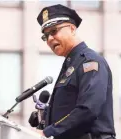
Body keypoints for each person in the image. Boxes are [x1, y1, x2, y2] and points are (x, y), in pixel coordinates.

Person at [35, 4, 116, 139]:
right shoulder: (71, 64)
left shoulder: (89, 62)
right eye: (46, 36)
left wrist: (47, 132)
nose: (49, 39)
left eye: (54, 31)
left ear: (72, 29)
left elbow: (88, 109)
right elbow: (69, 109)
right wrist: (45, 117)